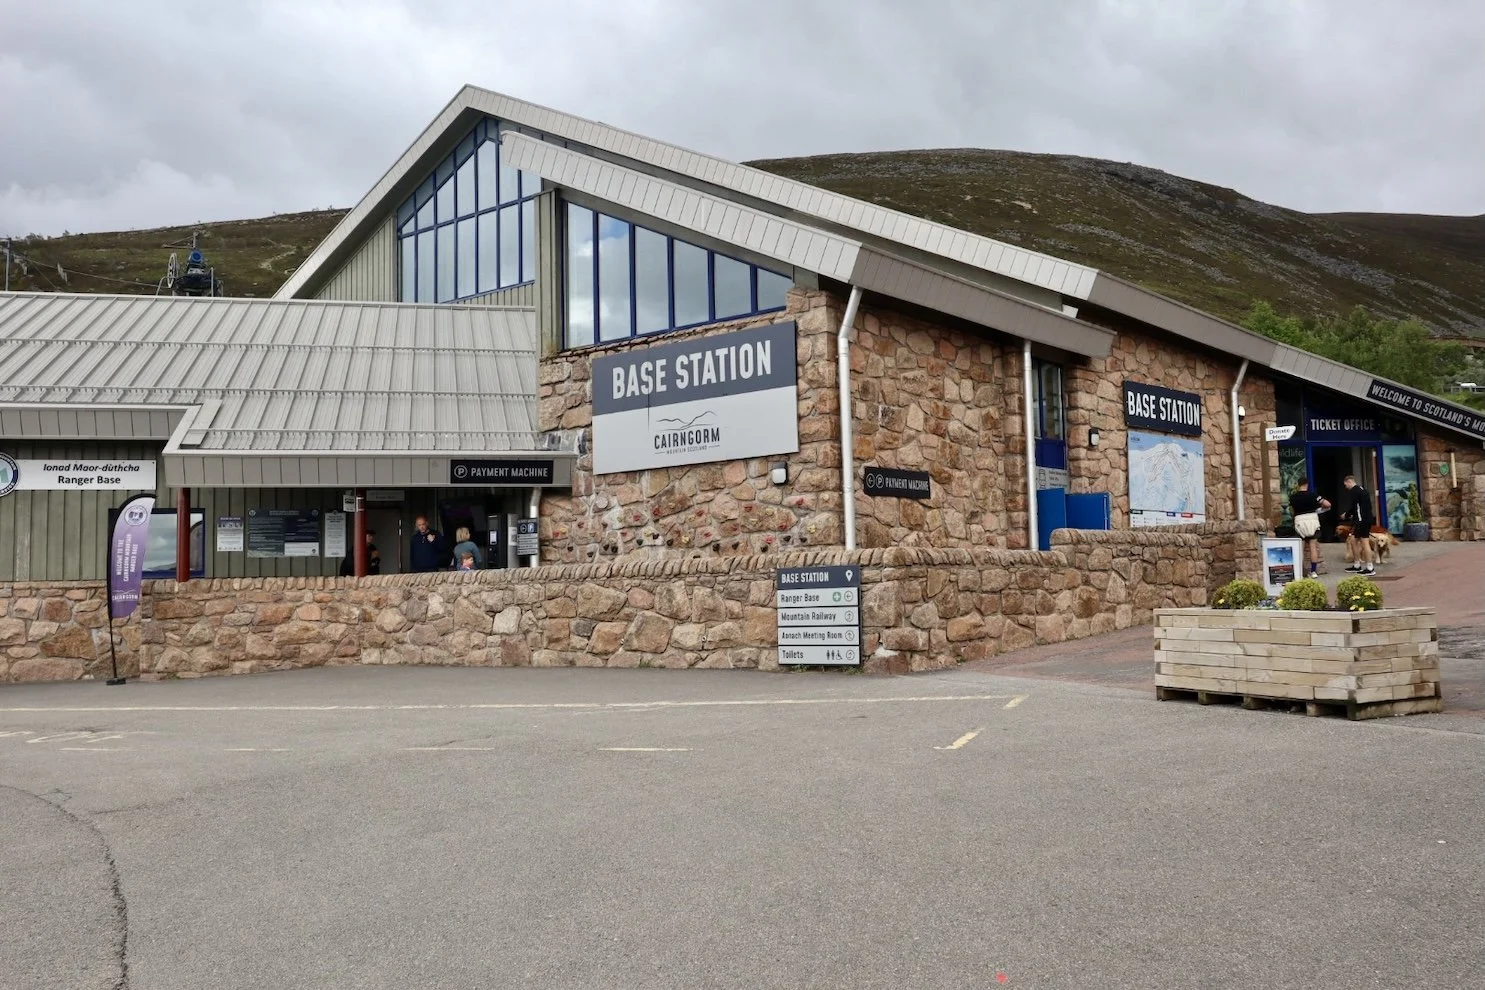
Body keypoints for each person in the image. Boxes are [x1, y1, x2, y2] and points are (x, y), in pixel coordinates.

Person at [1288, 478, 1330, 577]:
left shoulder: (1293, 497)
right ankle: (1314, 571)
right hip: (1312, 520)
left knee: (1300, 549)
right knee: (1313, 547)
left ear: (1298, 485)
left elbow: (1291, 511)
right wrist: (1320, 509)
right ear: (1307, 484)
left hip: (1299, 521)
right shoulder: (1313, 495)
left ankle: (1300, 573)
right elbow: (1328, 504)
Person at [1341, 475, 1376, 575]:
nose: (1346, 487)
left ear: (1349, 482)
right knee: (1353, 541)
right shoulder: (1362, 489)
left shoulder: (1354, 491)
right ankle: (1357, 564)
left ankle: (1370, 568)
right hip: (1365, 518)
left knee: (1364, 542)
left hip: (1361, 520)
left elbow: (1354, 507)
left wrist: (1346, 515)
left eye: (1345, 485)